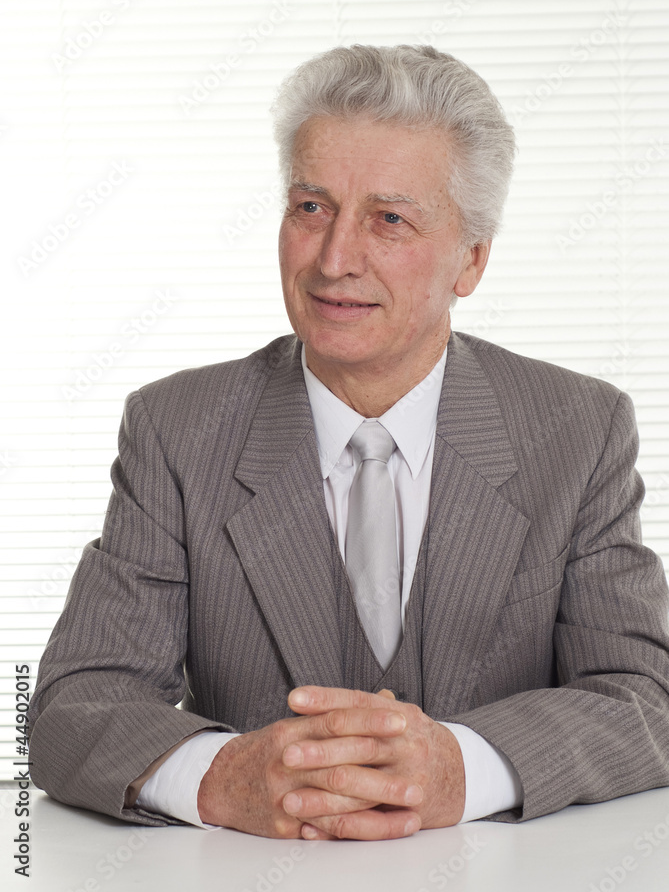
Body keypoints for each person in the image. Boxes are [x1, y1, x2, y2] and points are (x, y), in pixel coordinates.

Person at [29, 45, 669, 841]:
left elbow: (644, 699)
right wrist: (223, 779)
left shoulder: (575, 428)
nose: (334, 260)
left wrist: (460, 770)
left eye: (388, 219)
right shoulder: (177, 429)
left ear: (470, 259)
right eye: (311, 207)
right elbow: (73, 710)